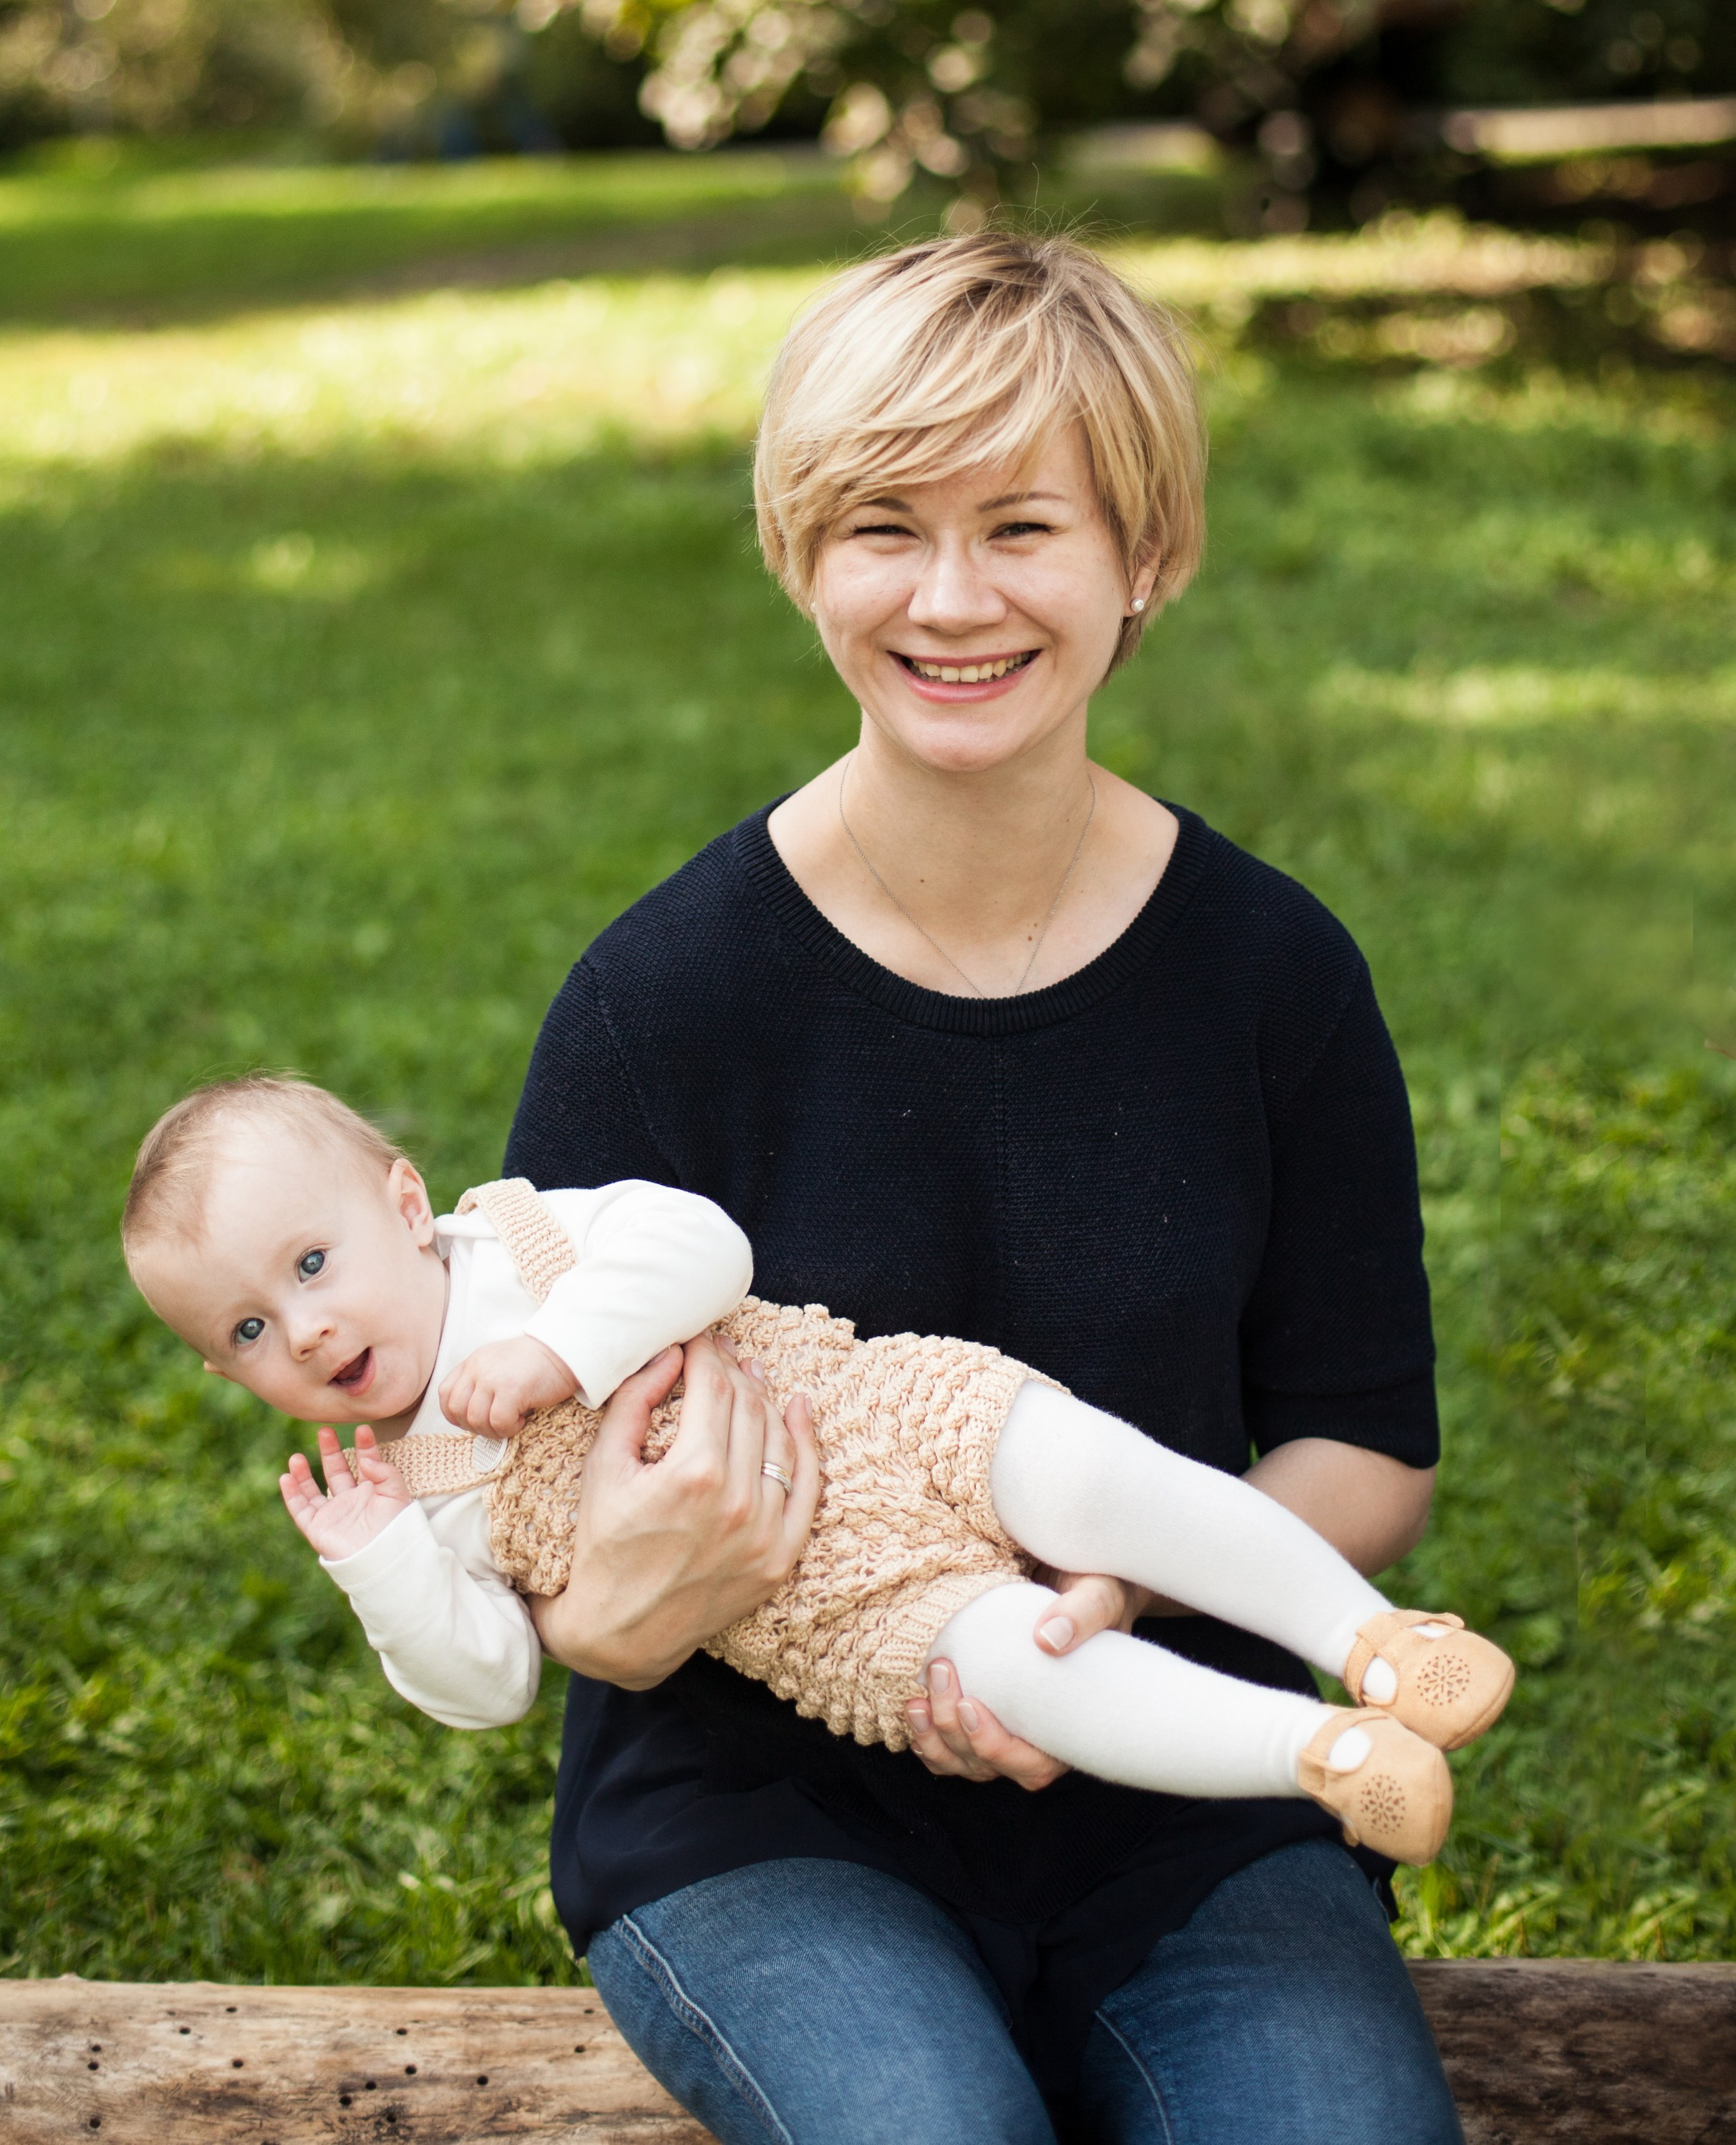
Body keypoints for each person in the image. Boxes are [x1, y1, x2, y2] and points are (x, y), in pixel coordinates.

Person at [528, 231, 1469, 2139]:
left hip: (1188, 1792)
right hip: (769, 1812)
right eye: (881, 526)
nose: (950, 598)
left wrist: (1104, 1594)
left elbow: (1367, 1441)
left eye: (1021, 525)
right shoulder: (662, 1002)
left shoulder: (1275, 977)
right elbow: (557, 1526)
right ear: (799, 554)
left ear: (1148, 557)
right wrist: (614, 1607)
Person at [119, 1079, 1509, 1859]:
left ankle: (1375, 1641)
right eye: (248, 1328)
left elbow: (703, 1250)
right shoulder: (417, 1495)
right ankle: (1323, 1754)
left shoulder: (531, 1235)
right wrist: (378, 1568)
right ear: (225, 1373)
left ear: (404, 1203)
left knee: (1092, 1472)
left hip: (878, 1410)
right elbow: (486, 1684)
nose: (304, 1325)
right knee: (1018, 1662)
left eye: (310, 1264)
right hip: (827, 1608)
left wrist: (560, 1355)